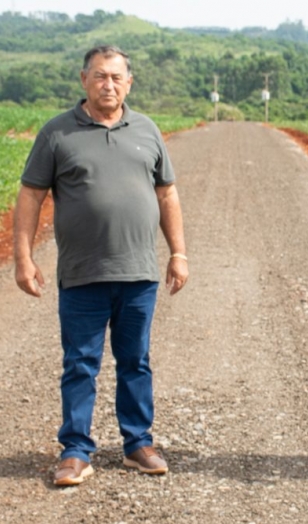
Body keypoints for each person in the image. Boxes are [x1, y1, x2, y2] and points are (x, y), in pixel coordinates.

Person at [13, 45, 189, 486]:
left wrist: (179, 253)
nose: (108, 84)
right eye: (99, 76)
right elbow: (31, 196)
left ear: (129, 82)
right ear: (83, 80)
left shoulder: (147, 130)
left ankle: (137, 444)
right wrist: (22, 257)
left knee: (136, 361)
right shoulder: (57, 133)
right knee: (80, 364)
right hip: (82, 273)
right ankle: (75, 451)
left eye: (116, 77)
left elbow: (167, 193)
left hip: (139, 274)